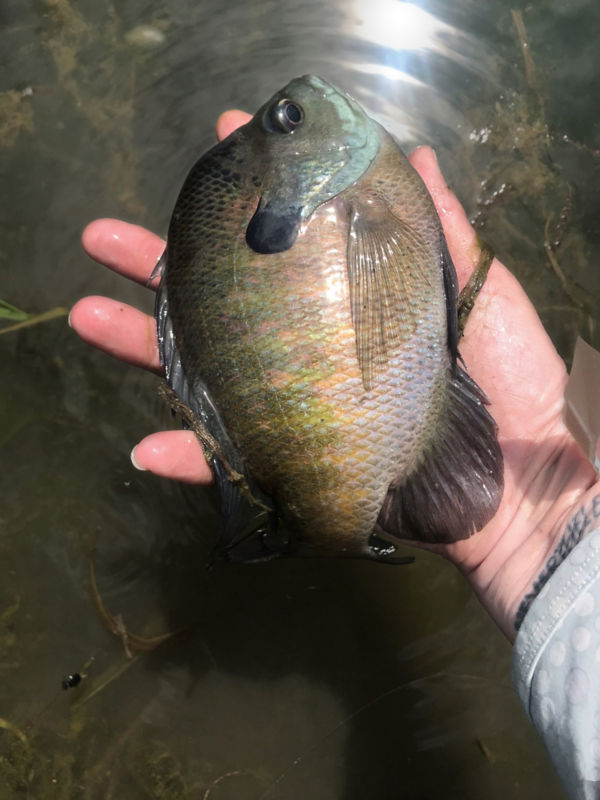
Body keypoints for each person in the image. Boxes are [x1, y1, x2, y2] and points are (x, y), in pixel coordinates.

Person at [70, 109, 600, 799]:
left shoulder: (360, 190)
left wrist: (562, 532)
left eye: (286, 119)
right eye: (290, 120)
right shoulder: (374, 187)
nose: (297, 108)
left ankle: (304, 526)